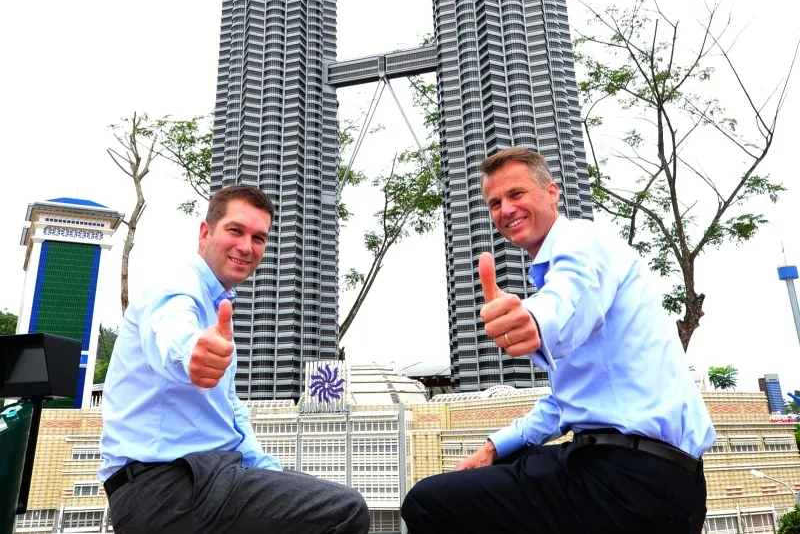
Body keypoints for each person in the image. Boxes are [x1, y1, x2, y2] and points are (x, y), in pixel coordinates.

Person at [402, 148, 715, 534]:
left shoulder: (583, 243)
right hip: (656, 481)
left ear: (552, 193)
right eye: (495, 203)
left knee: (428, 503)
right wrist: (495, 446)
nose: (505, 209)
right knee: (496, 469)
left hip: (629, 480)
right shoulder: (574, 270)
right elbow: (569, 401)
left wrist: (534, 320)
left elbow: (564, 300)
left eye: (516, 194)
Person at [100, 184, 370, 534]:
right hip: (165, 486)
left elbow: (230, 413)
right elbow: (171, 332)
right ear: (205, 232)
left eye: (259, 238)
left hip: (207, 476)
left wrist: (271, 472)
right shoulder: (176, 285)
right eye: (235, 230)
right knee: (344, 511)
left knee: (311, 493)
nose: (246, 247)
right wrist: (190, 354)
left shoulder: (217, 309)